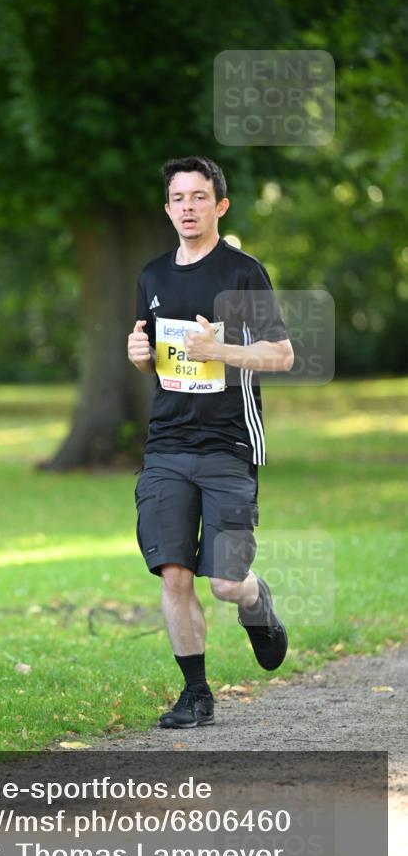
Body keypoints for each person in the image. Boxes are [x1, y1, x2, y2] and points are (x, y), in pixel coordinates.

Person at [127, 156, 294, 729]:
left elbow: (281, 353)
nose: (188, 208)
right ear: (167, 207)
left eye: (200, 197)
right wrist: (141, 359)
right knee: (173, 571)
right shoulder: (151, 276)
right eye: (178, 198)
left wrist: (219, 351)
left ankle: (256, 601)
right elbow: (159, 365)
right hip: (167, 444)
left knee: (223, 581)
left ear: (220, 205)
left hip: (228, 445)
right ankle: (196, 695)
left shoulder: (243, 272)